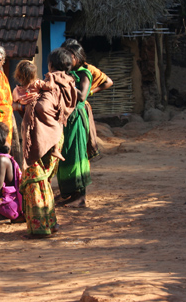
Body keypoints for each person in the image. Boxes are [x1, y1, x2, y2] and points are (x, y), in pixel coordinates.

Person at [14, 48, 77, 237]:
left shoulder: (48, 85)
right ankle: (51, 222)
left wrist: (24, 105)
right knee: (43, 183)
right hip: (52, 138)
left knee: (36, 182)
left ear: (50, 65)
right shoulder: (65, 84)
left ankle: (39, 227)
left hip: (43, 140)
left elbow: (41, 110)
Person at [61, 39, 113, 158]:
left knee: (80, 143)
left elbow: (108, 82)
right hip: (66, 110)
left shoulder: (87, 70)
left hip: (79, 109)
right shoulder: (64, 69)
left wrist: (90, 92)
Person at [56, 44, 93, 208]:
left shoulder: (84, 73)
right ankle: (70, 192)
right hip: (66, 117)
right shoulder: (70, 74)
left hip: (76, 117)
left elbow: (82, 95)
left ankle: (80, 195)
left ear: (77, 57)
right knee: (67, 152)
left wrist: (67, 83)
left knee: (77, 153)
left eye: (69, 55)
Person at [12, 60, 64, 161]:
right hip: (40, 114)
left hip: (28, 119)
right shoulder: (37, 84)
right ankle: (55, 149)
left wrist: (22, 106)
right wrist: (52, 78)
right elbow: (50, 86)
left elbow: (14, 104)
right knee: (55, 126)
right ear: (33, 75)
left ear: (18, 75)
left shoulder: (16, 91)